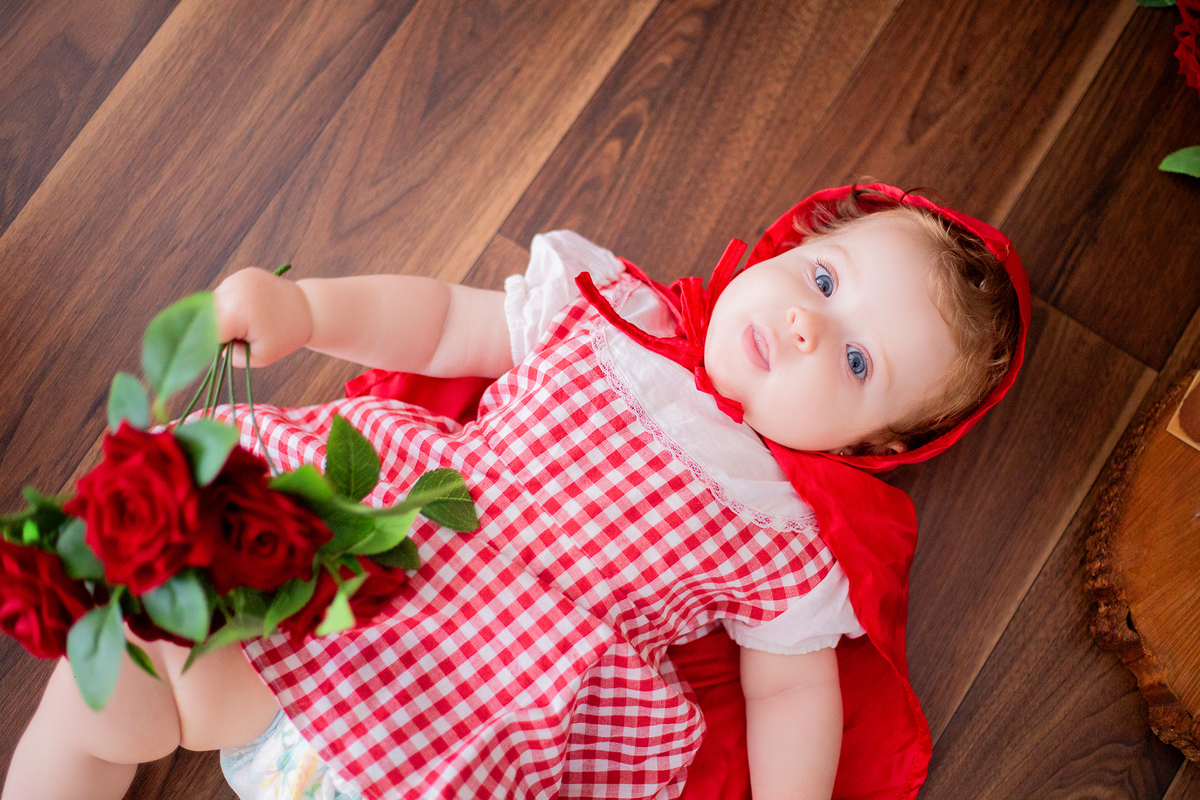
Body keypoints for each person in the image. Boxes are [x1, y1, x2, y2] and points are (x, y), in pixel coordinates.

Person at [2, 184, 1028, 800]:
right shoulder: (610, 307)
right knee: (144, 660)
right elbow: (447, 328)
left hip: (487, 699)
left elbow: (795, 692)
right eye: (823, 278)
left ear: (877, 443)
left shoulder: (792, 536)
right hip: (382, 554)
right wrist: (306, 308)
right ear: (789, 245)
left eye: (856, 363)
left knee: (187, 676)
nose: (811, 324)